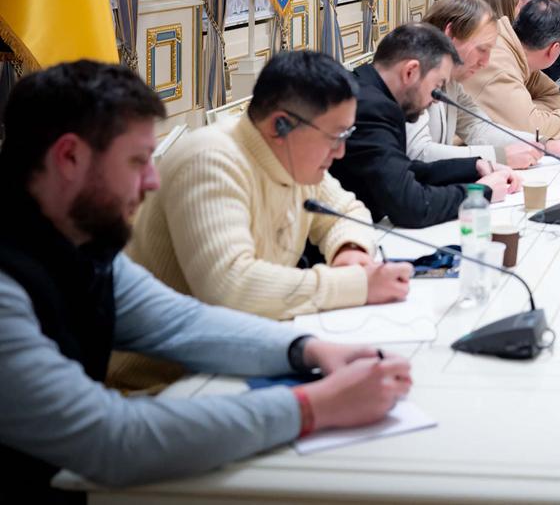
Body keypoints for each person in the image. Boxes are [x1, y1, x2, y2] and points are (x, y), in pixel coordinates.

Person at [0, 61, 411, 495]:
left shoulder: (77, 240)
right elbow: (110, 438)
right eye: (139, 161)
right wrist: (313, 407)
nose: (152, 180)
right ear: (69, 158)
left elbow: (179, 322)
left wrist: (308, 350)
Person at [114, 50, 413, 389]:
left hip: (237, 360)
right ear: (279, 125)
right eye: (335, 137)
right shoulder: (211, 161)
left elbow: (348, 211)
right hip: (163, 387)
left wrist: (350, 251)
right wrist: (357, 285)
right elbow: (230, 288)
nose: (341, 152)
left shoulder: (293, 157)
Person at [328, 23, 520, 230]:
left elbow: (399, 170)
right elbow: (411, 207)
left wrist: (473, 167)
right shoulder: (372, 108)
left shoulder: (368, 90)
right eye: (437, 87)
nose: (436, 100)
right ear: (411, 71)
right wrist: (481, 192)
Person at [406, 0, 560, 167]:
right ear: (450, 34)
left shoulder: (452, 78)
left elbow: (478, 127)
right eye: (482, 49)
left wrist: (544, 146)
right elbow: (418, 153)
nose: (485, 62)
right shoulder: (412, 74)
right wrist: (500, 157)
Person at [463, 0, 560, 139]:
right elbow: (532, 131)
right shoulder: (500, 66)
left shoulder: (513, 48)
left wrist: (529, 113)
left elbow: (554, 97)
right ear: (554, 48)